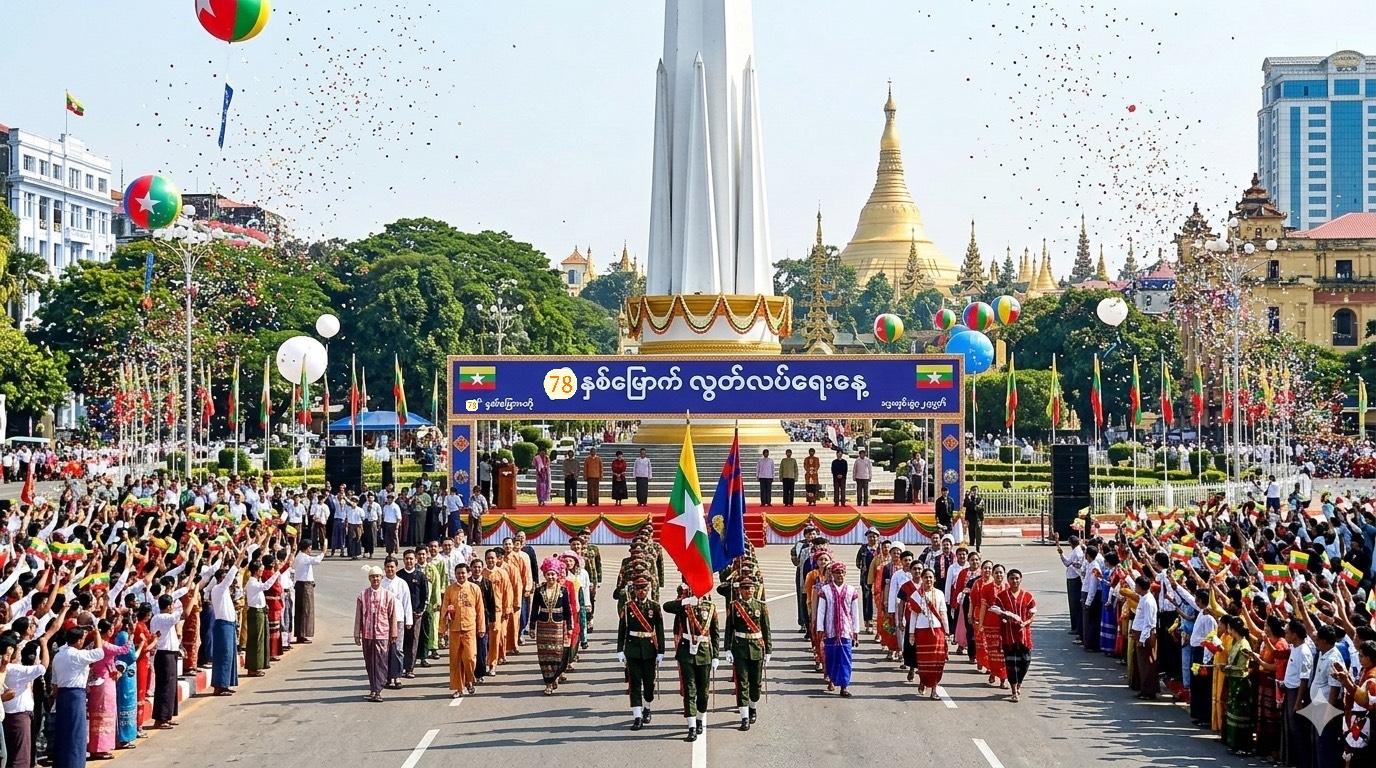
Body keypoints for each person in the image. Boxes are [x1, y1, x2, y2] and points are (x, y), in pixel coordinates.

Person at [663, 587, 720, 742]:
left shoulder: (711, 608)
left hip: (705, 653)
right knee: (690, 690)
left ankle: (700, 719)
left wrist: (716, 655)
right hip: (686, 652)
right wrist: (684, 602)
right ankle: (692, 727)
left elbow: (715, 634)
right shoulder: (684, 606)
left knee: (703, 693)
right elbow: (666, 607)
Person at [51, 625, 106, 768]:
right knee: (76, 732)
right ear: (79, 641)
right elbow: (100, 652)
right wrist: (97, 634)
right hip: (75, 695)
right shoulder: (77, 655)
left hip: (62, 695)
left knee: (63, 731)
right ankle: (75, 764)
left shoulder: (58, 655)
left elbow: (54, 683)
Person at [616, 577, 664, 730]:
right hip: (633, 649)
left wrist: (661, 651)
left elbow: (660, 630)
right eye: (638, 589)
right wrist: (619, 649)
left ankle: (647, 707)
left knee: (649, 683)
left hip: (649, 649)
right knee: (634, 683)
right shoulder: (628, 607)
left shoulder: (655, 607)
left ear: (648, 590)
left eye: (644, 589)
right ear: (634, 591)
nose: (641, 592)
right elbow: (622, 629)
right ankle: (637, 716)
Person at [724, 576, 771, 731]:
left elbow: (766, 629)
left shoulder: (761, 606)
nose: (748, 591)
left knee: (755, 683)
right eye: (745, 588)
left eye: (751, 588)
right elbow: (729, 629)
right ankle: (744, 717)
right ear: (740, 590)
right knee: (742, 683)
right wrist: (727, 648)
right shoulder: (734, 606)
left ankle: (753, 707)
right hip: (740, 648)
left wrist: (768, 650)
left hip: (757, 648)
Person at [354, 565, 399, 703]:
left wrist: (393, 632)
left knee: (381, 663)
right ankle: (373, 689)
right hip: (368, 634)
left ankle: (378, 690)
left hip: (382, 634)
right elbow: (358, 616)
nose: (375, 579)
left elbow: (392, 615)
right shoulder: (362, 595)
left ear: (382, 578)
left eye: (378, 576)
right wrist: (357, 633)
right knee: (369, 663)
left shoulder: (388, 595)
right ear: (369, 578)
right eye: (373, 576)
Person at [991, 568, 1037, 703]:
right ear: (1008, 580)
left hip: (1024, 635)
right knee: (1011, 663)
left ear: (1021, 579)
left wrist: (1026, 622)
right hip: (1008, 634)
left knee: (1025, 662)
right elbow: (997, 611)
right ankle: (1013, 691)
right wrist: (1004, 617)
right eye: (1012, 578)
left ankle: (1019, 684)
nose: (1014, 581)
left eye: (1017, 578)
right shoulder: (1001, 596)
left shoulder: (1028, 596)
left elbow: (1032, 613)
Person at [441, 561, 486, 698]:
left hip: (470, 628)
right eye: (458, 573)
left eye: (463, 573)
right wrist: (442, 629)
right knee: (455, 660)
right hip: (454, 629)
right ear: (455, 574)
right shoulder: (450, 589)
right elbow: (444, 609)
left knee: (470, 658)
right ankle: (458, 688)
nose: (461, 575)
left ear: (468, 574)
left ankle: (469, 680)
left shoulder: (474, 588)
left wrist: (481, 627)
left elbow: (480, 609)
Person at [815, 563, 860, 698]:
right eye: (837, 572)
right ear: (832, 574)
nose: (840, 575)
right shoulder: (825, 590)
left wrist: (856, 630)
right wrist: (820, 628)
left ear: (845, 574)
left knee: (845, 658)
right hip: (830, 630)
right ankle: (832, 679)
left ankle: (844, 685)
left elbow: (855, 612)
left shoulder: (851, 591)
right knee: (831, 657)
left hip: (846, 630)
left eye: (842, 572)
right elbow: (821, 611)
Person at [531, 557, 572, 695]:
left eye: (553, 574)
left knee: (557, 654)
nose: (551, 577)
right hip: (542, 625)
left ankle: (555, 676)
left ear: (557, 575)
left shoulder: (563, 590)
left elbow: (567, 610)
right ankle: (548, 682)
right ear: (545, 575)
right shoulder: (539, 590)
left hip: (558, 626)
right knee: (544, 654)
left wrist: (570, 627)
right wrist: (532, 626)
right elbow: (534, 608)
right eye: (548, 574)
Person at [148, 594, 184, 729]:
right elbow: (180, 614)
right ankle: (161, 718)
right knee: (165, 686)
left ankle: (166, 716)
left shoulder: (157, 617)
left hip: (168, 654)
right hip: (165, 655)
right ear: (169, 606)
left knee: (170, 686)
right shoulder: (164, 618)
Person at [1129, 575, 1158, 700]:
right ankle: (1143, 688)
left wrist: (1142, 640)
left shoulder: (1148, 601)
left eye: (1136, 585)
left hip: (1145, 636)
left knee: (1147, 664)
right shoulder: (1143, 598)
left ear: (1140, 587)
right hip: (1139, 633)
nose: (1135, 587)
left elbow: (1149, 623)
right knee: (1141, 664)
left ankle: (1149, 691)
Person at [293, 540, 323, 644]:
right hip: (304, 586)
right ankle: (302, 634)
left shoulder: (300, 556)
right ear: (307, 548)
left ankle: (302, 634)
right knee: (305, 610)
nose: (310, 550)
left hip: (304, 585)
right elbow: (317, 561)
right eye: (310, 548)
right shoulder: (303, 557)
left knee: (304, 610)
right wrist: (323, 552)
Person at [856, 530, 879, 632]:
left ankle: (877, 624)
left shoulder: (881, 548)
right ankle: (868, 622)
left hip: (878, 577)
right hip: (865, 578)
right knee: (867, 599)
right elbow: (858, 562)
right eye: (870, 537)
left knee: (878, 600)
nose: (872, 539)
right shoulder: (863, 548)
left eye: (874, 536)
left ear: (878, 537)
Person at [963, 486, 985, 552]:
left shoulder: (980, 499)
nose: (975, 492)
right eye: (973, 490)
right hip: (971, 517)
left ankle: (978, 546)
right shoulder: (968, 499)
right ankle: (972, 543)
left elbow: (981, 508)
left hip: (978, 518)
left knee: (978, 532)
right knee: (971, 531)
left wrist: (974, 507)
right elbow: (965, 504)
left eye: (976, 490)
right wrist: (974, 506)